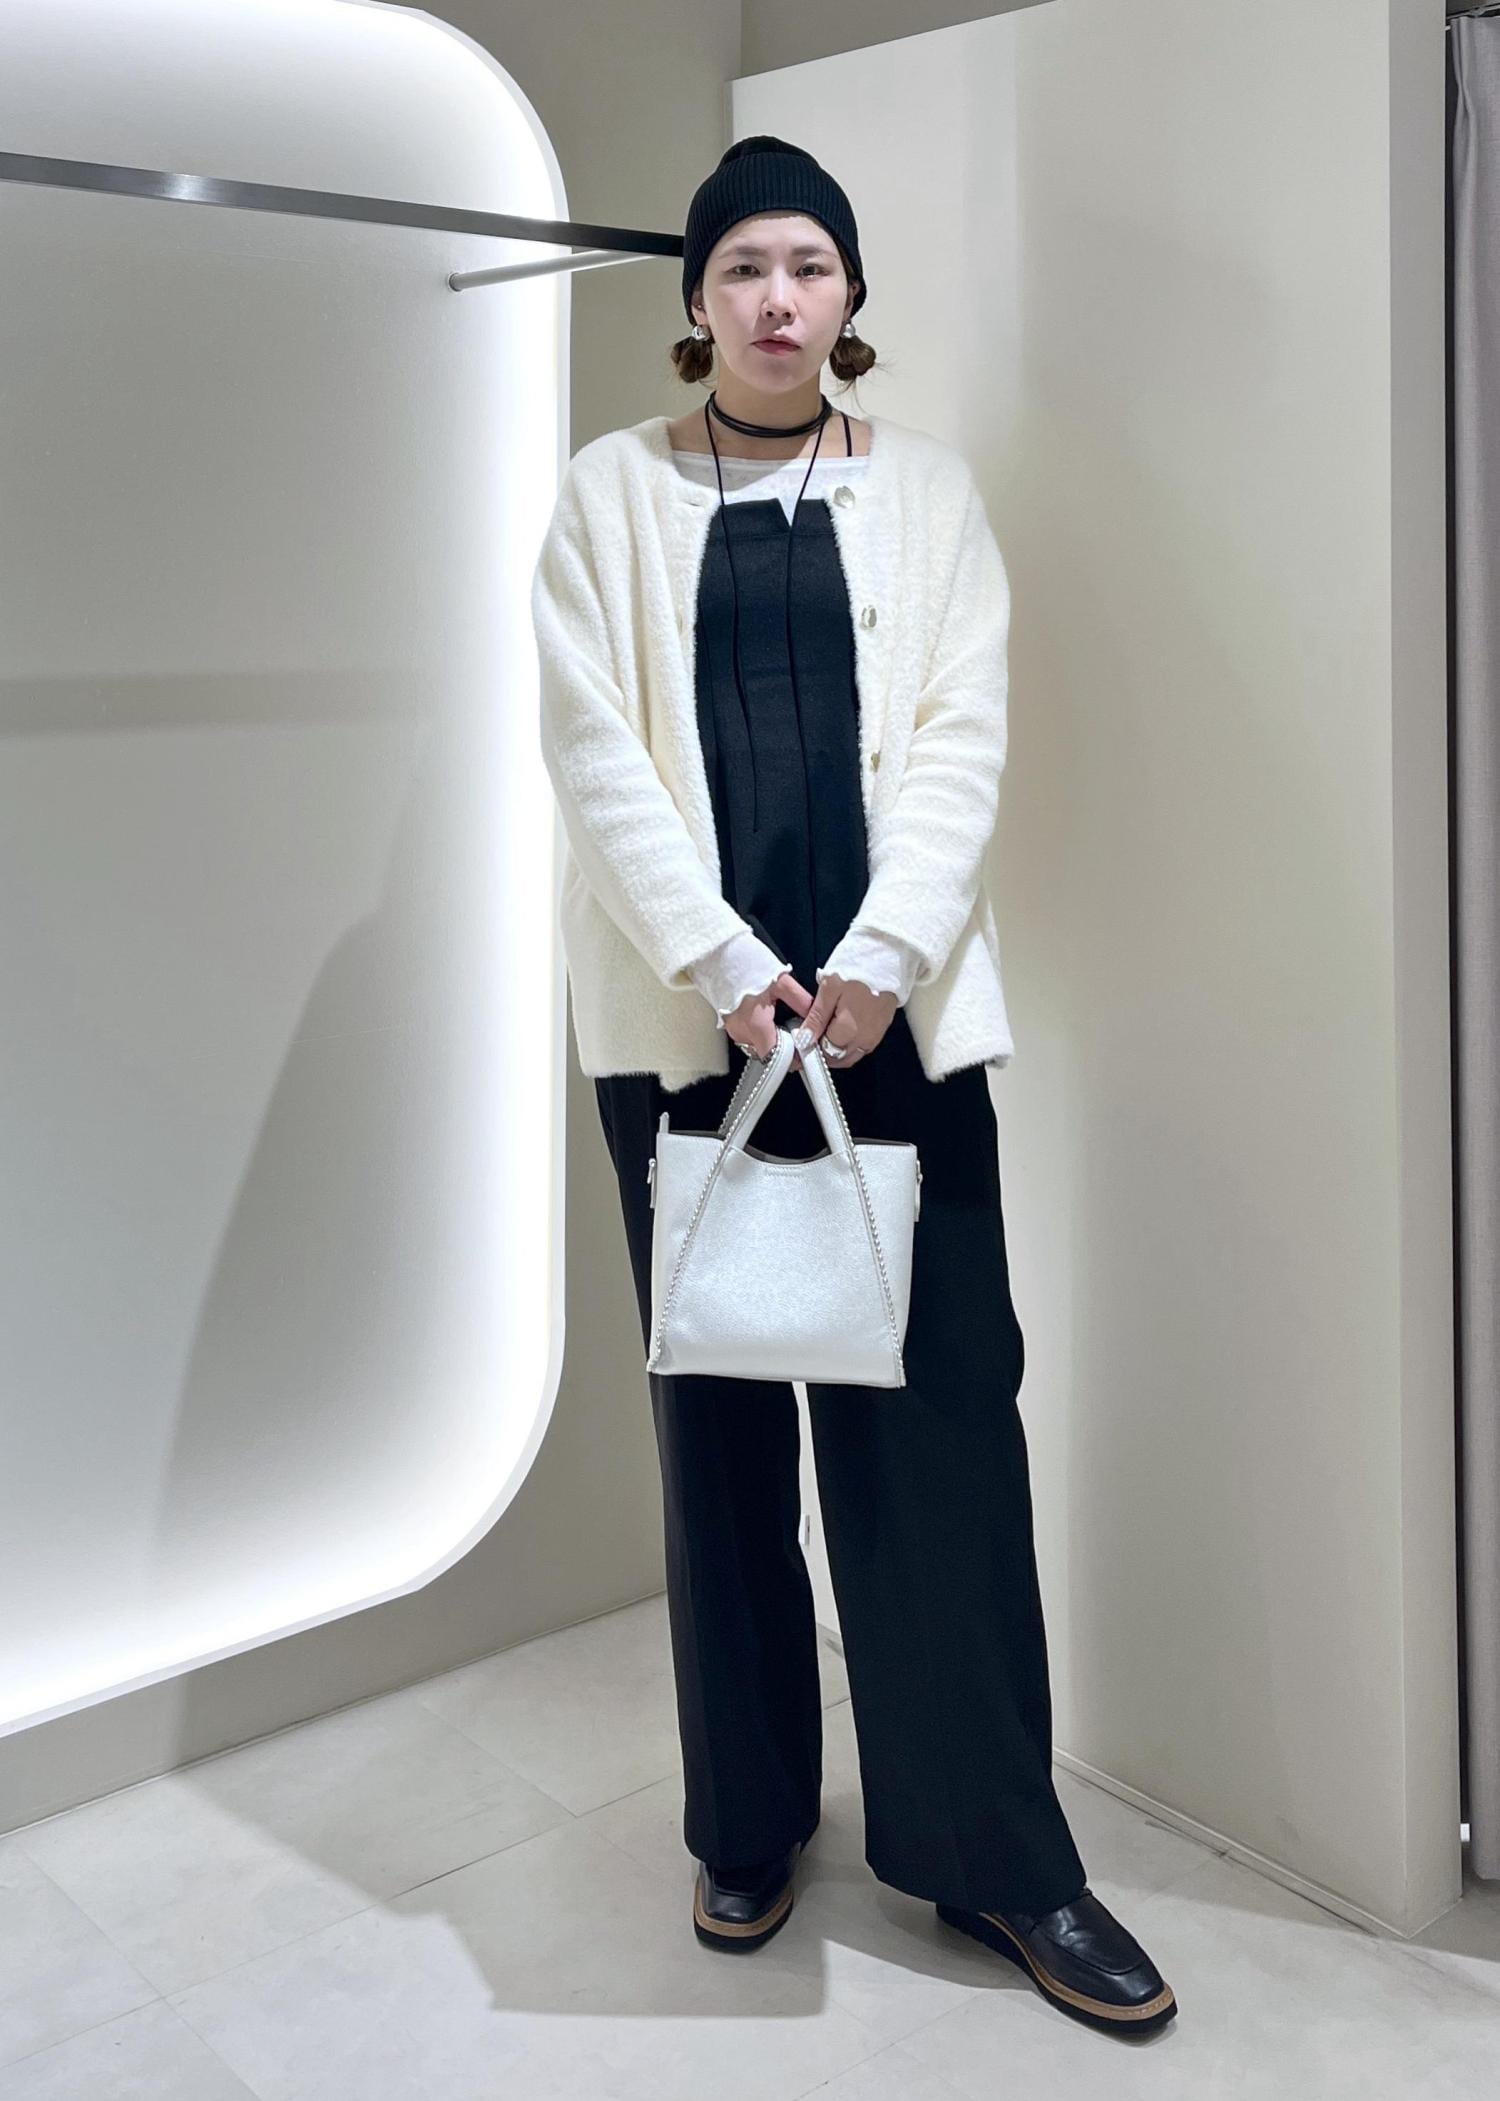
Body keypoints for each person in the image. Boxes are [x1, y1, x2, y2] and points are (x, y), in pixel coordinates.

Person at [530, 135, 1177, 2039]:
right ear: (696, 298)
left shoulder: (932, 494)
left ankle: (1001, 1857)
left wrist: (883, 958)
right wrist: (724, 966)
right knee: (721, 1444)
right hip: (694, 1042)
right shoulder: (607, 495)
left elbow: (966, 736)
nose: (777, 297)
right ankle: (745, 1822)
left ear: (852, 294)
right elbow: (590, 749)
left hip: (899, 1032)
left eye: (809, 263)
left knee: (946, 1440)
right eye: (744, 264)